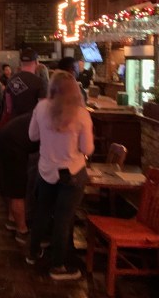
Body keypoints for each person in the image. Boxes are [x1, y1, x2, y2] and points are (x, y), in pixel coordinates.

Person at [28, 71, 94, 281]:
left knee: (42, 212)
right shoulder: (81, 114)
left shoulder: (41, 107)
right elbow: (87, 148)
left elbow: (32, 136)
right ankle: (58, 266)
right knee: (63, 218)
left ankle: (32, 253)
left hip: (46, 169)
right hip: (72, 172)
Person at [0, 112, 39, 244]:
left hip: (7, 139)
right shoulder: (53, 119)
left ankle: (12, 220)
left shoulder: (47, 111)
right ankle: (22, 231)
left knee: (14, 186)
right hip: (12, 144)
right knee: (18, 190)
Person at [4, 48, 46, 123]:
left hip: (14, 122)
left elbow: (9, 107)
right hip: (32, 122)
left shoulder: (11, 80)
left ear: (21, 62)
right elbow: (42, 107)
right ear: (36, 62)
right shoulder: (39, 82)